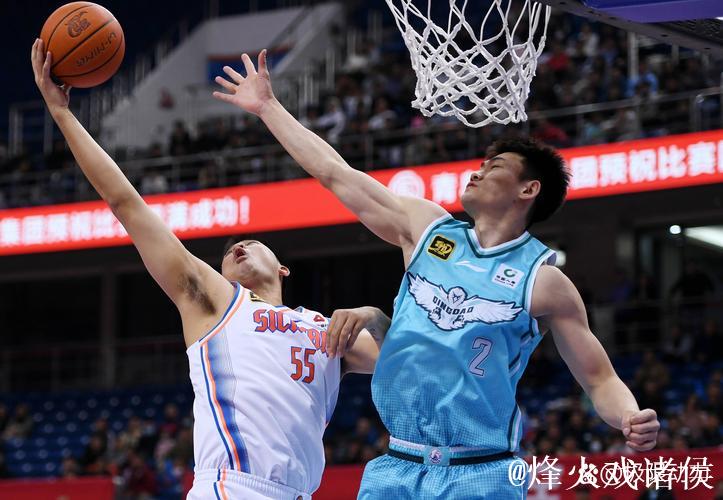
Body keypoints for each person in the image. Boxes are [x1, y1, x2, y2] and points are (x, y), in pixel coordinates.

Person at [213, 50, 661, 499]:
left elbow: (599, 378)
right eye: (481, 165)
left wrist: (628, 416)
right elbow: (335, 173)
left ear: (528, 189)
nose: (477, 173)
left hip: (480, 471)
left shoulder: (543, 281)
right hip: (396, 465)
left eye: (494, 168)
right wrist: (268, 107)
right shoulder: (426, 228)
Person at [31, 39, 389, 500]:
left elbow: (403, 359)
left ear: (283, 269)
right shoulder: (218, 303)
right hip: (231, 487)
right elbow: (126, 204)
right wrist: (62, 114)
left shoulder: (324, 330)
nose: (237, 246)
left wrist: (371, 314)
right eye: (227, 253)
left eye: (250, 243)